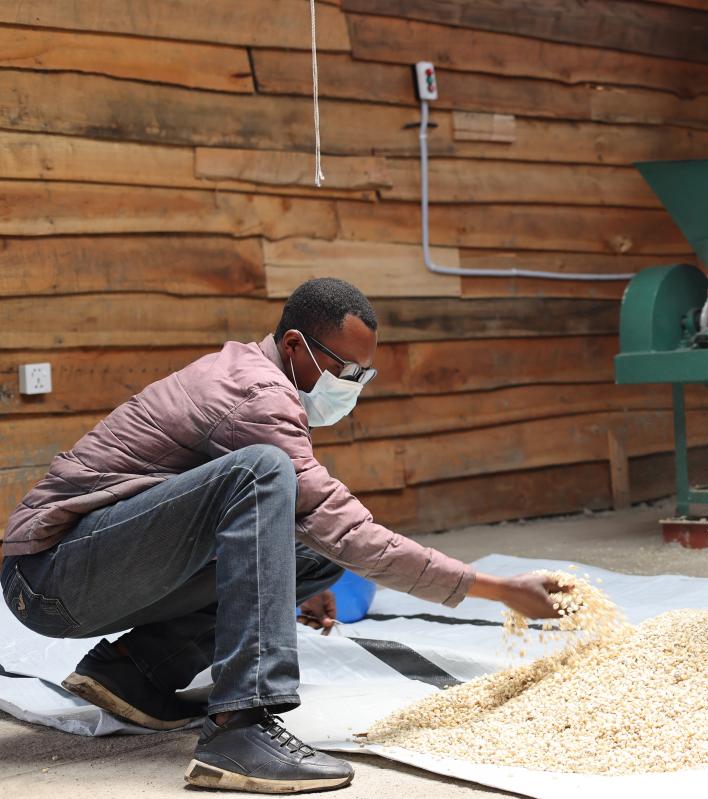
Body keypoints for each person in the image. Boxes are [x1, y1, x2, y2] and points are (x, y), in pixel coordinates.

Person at [1, 278, 567, 793]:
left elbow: (321, 535)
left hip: (92, 570)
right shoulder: (255, 394)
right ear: (295, 347)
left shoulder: (262, 377)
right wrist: (496, 588)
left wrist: (288, 575)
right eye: (345, 370)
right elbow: (341, 524)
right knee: (264, 472)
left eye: (362, 375)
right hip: (48, 578)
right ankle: (240, 728)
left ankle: (131, 676)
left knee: (312, 557)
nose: (352, 386)